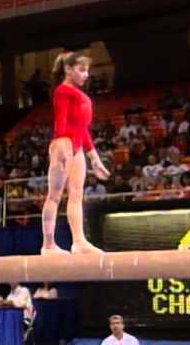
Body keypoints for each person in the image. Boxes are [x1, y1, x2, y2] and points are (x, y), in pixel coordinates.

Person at [41, 51, 110, 255]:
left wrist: (95, 159)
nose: (86, 74)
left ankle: (79, 241)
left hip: (78, 146)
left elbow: (83, 129)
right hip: (64, 144)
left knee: (77, 194)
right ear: (68, 70)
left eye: (87, 70)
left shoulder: (80, 94)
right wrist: (62, 147)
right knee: (54, 195)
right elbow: (60, 122)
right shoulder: (63, 91)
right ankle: (48, 244)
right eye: (81, 70)